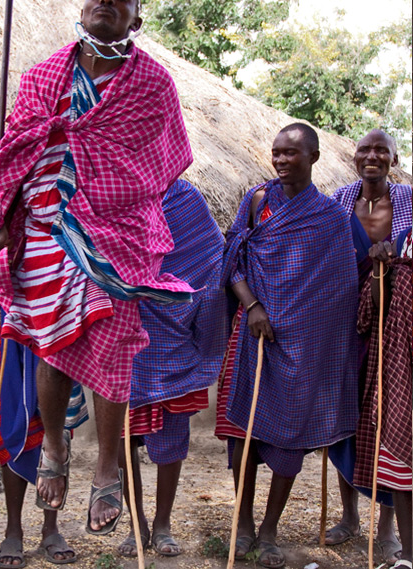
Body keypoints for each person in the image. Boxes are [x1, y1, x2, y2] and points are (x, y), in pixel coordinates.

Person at [0, 0, 193, 537]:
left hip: (118, 235)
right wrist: (7, 215)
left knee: (114, 344)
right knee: (53, 342)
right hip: (47, 226)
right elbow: (17, 149)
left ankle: (107, 465)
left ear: (135, 20)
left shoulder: (154, 86)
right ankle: (54, 444)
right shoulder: (45, 74)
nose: (105, 2)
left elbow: (159, 165)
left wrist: (100, 186)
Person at [215, 123, 359, 568]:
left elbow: (343, 286)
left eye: (290, 153)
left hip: (303, 348)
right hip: (252, 335)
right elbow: (232, 260)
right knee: (242, 435)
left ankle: (270, 530)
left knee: (290, 439)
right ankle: (242, 523)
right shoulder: (258, 201)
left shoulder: (332, 218)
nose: (279, 160)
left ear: (313, 157)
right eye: (276, 152)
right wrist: (253, 306)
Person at [117, 179, 227, 558]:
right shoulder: (116, 193)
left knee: (172, 435)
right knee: (121, 436)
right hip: (122, 331)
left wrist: (198, 321)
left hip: (173, 337)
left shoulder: (186, 198)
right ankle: (136, 523)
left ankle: (162, 523)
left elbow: (213, 259)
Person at [325, 128, 411, 563]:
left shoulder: (410, 204)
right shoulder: (338, 202)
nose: (372, 156)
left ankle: (389, 525)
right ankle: (349, 516)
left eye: (382, 150)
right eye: (365, 150)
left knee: (388, 420)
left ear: (394, 160)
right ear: (354, 157)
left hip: (396, 327)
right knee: (347, 418)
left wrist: (392, 263)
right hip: (345, 324)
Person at [0, 337, 86, 568]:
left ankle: (51, 529)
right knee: (12, 425)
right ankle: (13, 531)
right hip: (14, 332)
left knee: (57, 422)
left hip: (58, 328)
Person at [356, 230, 412, 569]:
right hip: (400, 366)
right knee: (403, 463)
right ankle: (409, 555)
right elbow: (380, 307)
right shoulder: (404, 242)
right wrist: (382, 270)